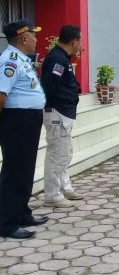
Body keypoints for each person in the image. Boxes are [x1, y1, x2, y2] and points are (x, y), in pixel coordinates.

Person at [0, 19, 48, 239]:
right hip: (16, 122)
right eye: (34, 34)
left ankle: (22, 212)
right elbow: (1, 97)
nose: (37, 38)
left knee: (26, 169)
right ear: (24, 38)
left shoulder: (22, 59)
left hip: (27, 120)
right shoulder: (9, 61)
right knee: (14, 172)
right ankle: (7, 223)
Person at [40, 25, 84, 208]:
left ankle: (64, 188)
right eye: (80, 41)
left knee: (64, 152)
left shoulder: (62, 58)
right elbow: (49, 86)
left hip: (64, 112)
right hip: (58, 112)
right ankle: (52, 195)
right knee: (58, 154)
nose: (81, 45)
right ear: (74, 42)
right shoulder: (57, 59)